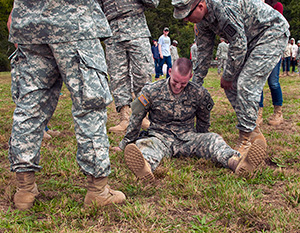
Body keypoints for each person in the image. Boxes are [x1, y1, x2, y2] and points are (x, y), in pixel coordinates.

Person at [7, 0, 126, 211]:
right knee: (90, 105)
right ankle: (98, 191)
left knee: (29, 106)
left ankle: (24, 190)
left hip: (29, 23)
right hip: (74, 21)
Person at [116, 58, 266, 183]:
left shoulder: (198, 93)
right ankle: (145, 168)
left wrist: (202, 139)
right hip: (160, 138)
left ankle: (237, 163)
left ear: (190, 77)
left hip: (188, 139)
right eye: (175, 81)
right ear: (169, 72)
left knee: (213, 139)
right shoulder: (151, 90)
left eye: (183, 83)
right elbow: (136, 118)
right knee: (146, 146)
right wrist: (126, 143)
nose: (178, 86)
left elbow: (204, 117)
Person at [172, 0, 289, 157]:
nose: (185, 19)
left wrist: (228, 75)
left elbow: (238, 44)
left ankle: (246, 139)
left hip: (271, 33)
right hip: (250, 38)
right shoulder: (202, 21)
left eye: (187, 15)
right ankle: (253, 132)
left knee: (246, 82)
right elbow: (203, 54)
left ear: (200, 6)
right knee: (230, 85)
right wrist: (192, 88)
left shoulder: (223, 7)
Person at [99, 0, 159, 133]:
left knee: (143, 74)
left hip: (136, 28)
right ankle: (125, 118)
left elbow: (154, 2)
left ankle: (142, 115)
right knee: (117, 77)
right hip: (112, 31)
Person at [257, 0, 285, 126]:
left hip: (274, 48)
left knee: (273, 82)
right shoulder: (256, 5)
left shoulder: (277, 6)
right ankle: (258, 112)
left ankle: (278, 112)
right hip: (260, 49)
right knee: (259, 82)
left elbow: (273, 25)